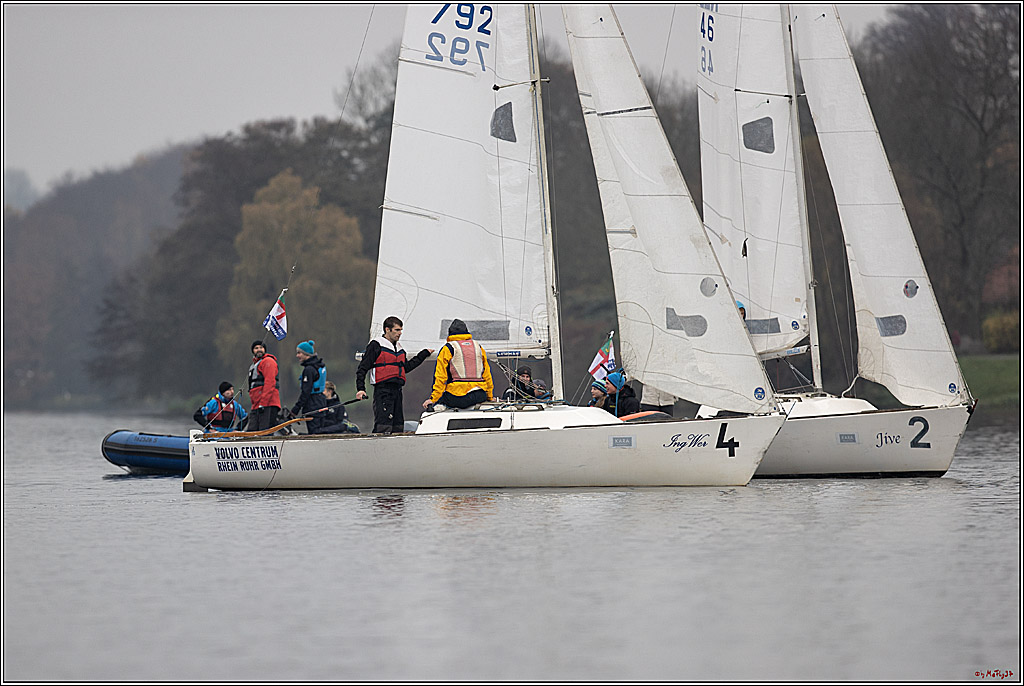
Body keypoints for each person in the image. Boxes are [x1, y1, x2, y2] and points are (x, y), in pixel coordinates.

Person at [355, 316, 433, 434]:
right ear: (387, 330)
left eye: (401, 330)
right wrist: (361, 389)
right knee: (384, 424)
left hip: (397, 391)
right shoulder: (376, 345)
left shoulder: (399, 348)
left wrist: (423, 354)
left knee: (398, 425)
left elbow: (406, 367)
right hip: (383, 391)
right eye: (397, 330)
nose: (400, 333)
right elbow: (362, 368)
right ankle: (378, 448)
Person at [423, 319, 493, 410]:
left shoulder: (448, 348)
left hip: (458, 397)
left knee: (441, 400)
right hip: (479, 394)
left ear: (450, 333)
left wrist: (433, 399)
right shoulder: (478, 347)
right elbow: (487, 375)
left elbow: (440, 377)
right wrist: (489, 397)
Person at [288, 339, 327, 434]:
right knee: (320, 432)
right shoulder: (319, 366)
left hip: (313, 405)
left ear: (306, 354)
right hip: (321, 402)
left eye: (299, 353)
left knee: (314, 432)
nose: (297, 356)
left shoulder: (309, 370)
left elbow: (306, 392)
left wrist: (295, 410)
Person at [246, 340, 281, 431]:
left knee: (264, 431)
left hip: (267, 404)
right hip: (257, 404)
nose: (259, 350)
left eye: (261, 348)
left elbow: (270, 383)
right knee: (252, 430)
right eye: (256, 348)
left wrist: (263, 403)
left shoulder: (268, 362)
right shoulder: (254, 365)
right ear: (252, 351)